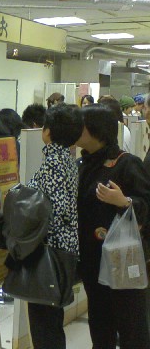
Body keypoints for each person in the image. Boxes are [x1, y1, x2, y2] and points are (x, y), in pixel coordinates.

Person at [76, 104, 150, 349]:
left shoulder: (127, 164)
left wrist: (124, 202)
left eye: (81, 126)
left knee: (131, 325)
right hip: (92, 259)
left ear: (97, 131)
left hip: (124, 260)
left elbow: (145, 204)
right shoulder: (82, 164)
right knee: (100, 323)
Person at [24, 104, 84, 349]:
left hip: (48, 254)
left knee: (44, 323)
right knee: (52, 319)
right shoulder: (68, 160)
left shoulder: (53, 163)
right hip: (63, 250)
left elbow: (54, 212)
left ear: (47, 131)